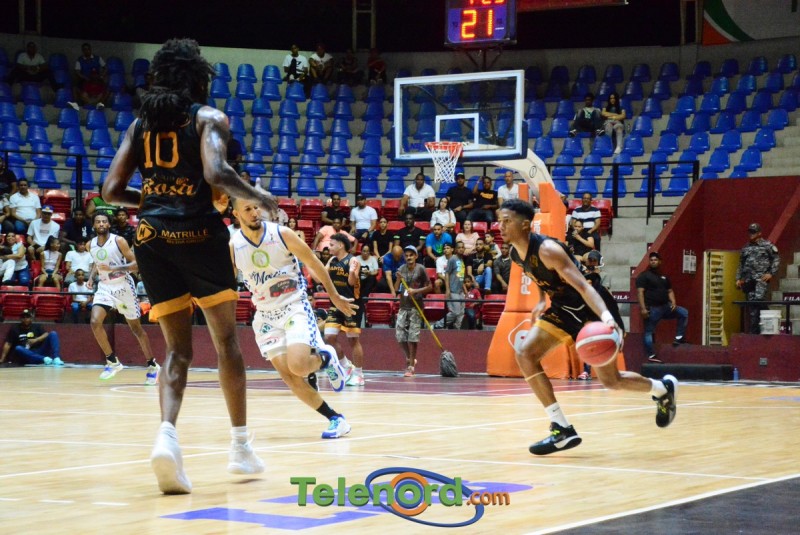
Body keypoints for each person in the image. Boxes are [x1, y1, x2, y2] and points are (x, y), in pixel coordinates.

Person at [102, 38, 279, 494]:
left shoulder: (139, 124)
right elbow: (216, 173)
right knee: (226, 344)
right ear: (198, 79)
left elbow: (110, 191)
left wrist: (154, 203)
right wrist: (259, 196)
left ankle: (166, 437)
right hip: (199, 235)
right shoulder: (208, 118)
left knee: (177, 350)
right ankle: (240, 447)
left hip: (151, 238)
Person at [498, 199, 677, 455]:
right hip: (563, 309)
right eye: (499, 220)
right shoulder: (517, 253)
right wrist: (540, 300)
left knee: (611, 381)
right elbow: (537, 274)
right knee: (525, 354)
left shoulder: (548, 250)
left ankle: (662, 389)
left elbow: (584, 286)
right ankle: (561, 428)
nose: (500, 226)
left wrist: (606, 318)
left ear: (525, 225)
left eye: (506, 221)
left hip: (591, 309)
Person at [230, 197, 356, 438]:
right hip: (265, 316)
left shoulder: (282, 234)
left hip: (293, 306)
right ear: (236, 214)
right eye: (247, 209)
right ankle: (335, 419)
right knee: (290, 376)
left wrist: (334, 295)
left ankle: (326, 358)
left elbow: (314, 263)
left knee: (298, 366)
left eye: (256, 207)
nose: (255, 212)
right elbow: (226, 284)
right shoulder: (234, 246)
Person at [86, 213, 159, 381]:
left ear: (109, 225)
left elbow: (136, 264)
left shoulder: (118, 241)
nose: (101, 224)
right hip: (104, 287)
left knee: (136, 329)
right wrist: (91, 277)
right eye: (98, 222)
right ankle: (112, 362)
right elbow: (97, 263)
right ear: (94, 226)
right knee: (95, 322)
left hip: (123, 287)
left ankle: (152, 364)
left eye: (104, 221)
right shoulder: (90, 244)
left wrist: (114, 269)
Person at [322, 233, 366, 387]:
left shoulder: (353, 260)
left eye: (331, 244)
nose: (329, 247)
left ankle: (359, 375)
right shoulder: (332, 260)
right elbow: (321, 277)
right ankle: (346, 366)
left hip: (351, 304)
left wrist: (353, 272)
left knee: (353, 339)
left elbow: (352, 282)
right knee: (329, 337)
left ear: (341, 245)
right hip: (336, 304)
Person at [635, 252, 689, 363]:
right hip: (652, 309)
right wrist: (643, 309)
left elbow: (670, 291)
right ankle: (651, 355)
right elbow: (640, 292)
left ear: (660, 262)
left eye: (655, 260)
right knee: (648, 331)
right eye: (651, 260)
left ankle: (679, 337)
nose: (653, 262)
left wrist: (673, 302)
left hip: (666, 307)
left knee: (683, 313)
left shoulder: (664, 277)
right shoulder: (644, 275)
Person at [736, 223, 780, 334]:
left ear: (759, 233)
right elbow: (741, 264)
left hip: (761, 280)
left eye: (754, 232)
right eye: (750, 232)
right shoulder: (746, 248)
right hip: (749, 280)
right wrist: (738, 278)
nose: (751, 234)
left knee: (759, 300)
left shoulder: (767, 245)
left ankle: (769, 321)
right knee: (752, 307)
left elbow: (776, 259)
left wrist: (771, 273)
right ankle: (754, 333)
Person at [394, 245, 431, 377]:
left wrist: (416, 291)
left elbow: (429, 287)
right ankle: (410, 357)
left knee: (412, 337)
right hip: (403, 305)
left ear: (416, 256)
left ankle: (411, 366)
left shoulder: (421, 269)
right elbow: (396, 289)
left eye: (411, 255)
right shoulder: (401, 269)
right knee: (399, 335)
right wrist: (399, 279)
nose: (409, 257)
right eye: (406, 255)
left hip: (416, 306)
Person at [0, 309, 64, 366]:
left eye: (27, 317)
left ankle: (56, 358)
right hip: (27, 354)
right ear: (20, 319)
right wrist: (2, 359)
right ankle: (44, 359)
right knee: (18, 348)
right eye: (23, 317)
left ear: (31, 318)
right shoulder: (15, 328)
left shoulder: (37, 326)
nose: (25, 319)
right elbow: (8, 343)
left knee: (53, 333)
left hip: (39, 350)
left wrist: (36, 340)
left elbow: (46, 334)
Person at [443, 241, 466, 330]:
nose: (461, 249)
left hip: (460, 291)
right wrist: (447, 289)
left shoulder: (462, 260)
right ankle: (439, 324)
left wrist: (465, 291)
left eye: (462, 247)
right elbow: (447, 273)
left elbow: (461, 277)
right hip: (453, 290)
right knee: (455, 312)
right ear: (455, 249)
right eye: (459, 247)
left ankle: (457, 329)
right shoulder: (452, 259)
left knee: (461, 313)